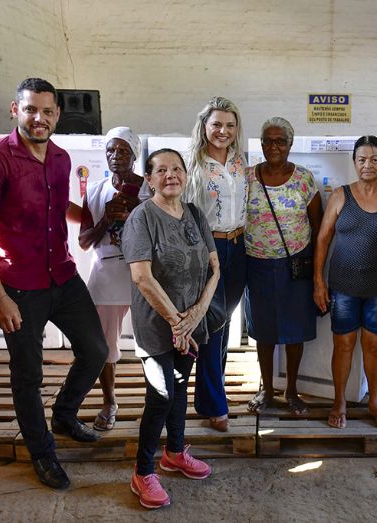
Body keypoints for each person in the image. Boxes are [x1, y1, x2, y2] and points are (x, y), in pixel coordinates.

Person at [0, 78, 109, 489]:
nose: (39, 118)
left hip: (62, 275)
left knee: (96, 350)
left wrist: (103, 220)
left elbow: (60, 206)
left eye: (47, 111)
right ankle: (42, 453)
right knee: (28, 375)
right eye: (31, 110)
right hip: (19, 288)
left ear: (58, 114)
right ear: (16, 110)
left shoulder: (60, 158)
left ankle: (63, 416)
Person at [122, 148, 219, 509]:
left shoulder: (193, 213)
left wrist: (196, 315)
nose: (170, 175)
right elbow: (142, 278)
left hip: (191, 325)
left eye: (176, 168)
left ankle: (175, 453)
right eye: (161, 170)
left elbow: (215, 268)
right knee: (160, 395)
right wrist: (178, 323)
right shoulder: (141, 218)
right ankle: (143, 471)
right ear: (148, 179)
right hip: (157, 326)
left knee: (179, 390)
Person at [314, 136, 377, 430]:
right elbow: (322, 238)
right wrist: (319, 281)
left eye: (373, 159)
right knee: (343, 345)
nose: (367, 165)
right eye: (361, 159)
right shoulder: (341, 195)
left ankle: (374, 401)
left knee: (374, 345)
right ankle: (339, 401)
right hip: (343, 285)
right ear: (354, 162)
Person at [244, 117, 323, 415]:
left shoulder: (303, 179)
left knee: (294, 331)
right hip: (257, 265)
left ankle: (291, 391)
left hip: (295, 267)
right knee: (263, 332)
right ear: (261, 144)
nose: (274, 146)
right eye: (268, 140)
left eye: (280, 141)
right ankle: (266, 388)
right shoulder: (248, 177)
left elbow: (318, 227)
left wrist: (317, 273)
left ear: (290, 144)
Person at [184, 97, 248, 432]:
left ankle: (211, 394)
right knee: (211, 326)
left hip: (239, 248)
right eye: (216, 125)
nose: (223, 131)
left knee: (222, 326)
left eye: (229, 125)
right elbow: (184, 215)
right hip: (210, 251)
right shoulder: (193, 164)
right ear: (205, 126)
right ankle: (215, 404)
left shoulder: (241, 161)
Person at [78, 126, 143, 431]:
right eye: (110, 150)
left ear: (134, 155)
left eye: (123, 151)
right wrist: (107, 218)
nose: (115, 156)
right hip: (105, 277)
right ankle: (109, 400)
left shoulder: (149, 190)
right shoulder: (95, 192)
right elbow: (84, 241)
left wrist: (136, 214)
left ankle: (158, 399)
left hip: (143, 277)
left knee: (153, 341)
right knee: (105, 345)